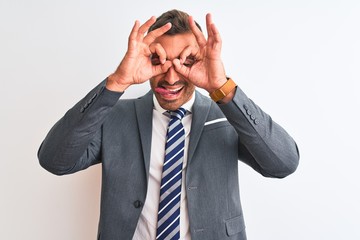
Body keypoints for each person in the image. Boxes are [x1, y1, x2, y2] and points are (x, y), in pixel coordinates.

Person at [38, 9, 299, 240]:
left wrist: (222, 88)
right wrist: (117, 82)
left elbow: (283, 163)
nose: (172, 77)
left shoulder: (228, 114)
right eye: (158, 61)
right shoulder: (116, 116)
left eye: (186, 62)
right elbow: (54, 160)